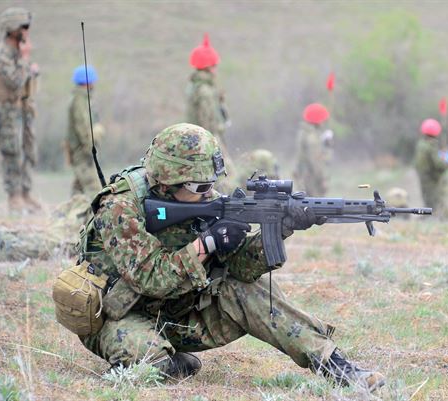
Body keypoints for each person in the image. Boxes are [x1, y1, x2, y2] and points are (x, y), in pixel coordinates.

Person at [74, 123, 384, 390]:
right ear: (169, 180)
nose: (210, 193)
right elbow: (148, 277)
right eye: (201, 186)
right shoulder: (121, 206)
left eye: (212, 184)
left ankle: (336, 366)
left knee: (247, 289)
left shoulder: (203, 200)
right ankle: (164, 358)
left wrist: (282, 228)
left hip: (175, 309)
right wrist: (207, 243)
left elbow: (241, 268)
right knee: (151, 366)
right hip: (116, 316)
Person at [0, 7, 41, 212]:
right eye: (23, 27)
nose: (27, 31)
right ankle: (14, 196)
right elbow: (15, 81)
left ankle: (25, 193)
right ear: (12, 28)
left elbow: (27, 79)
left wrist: (30, 67)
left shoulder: (16, 52)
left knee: (28, 150)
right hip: (7, 111)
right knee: (13, 152)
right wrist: (26, 61)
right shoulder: (1, 55)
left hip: (22, 108)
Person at [0, 195, 90, 261]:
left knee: (29, 242)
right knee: (31, 245)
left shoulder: (87, 207)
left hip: (59, 238)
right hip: (58, 239)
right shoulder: (87, 206)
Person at [185, 34, 235, 193]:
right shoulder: (205, 92)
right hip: (209, 143)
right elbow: (208, 125)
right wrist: (220, 127)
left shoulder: (196, 88)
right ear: (209, 67)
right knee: (227, 178)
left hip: (198, 142)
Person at [65, 65, 105, 197]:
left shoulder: (83, 99)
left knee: (78, 189)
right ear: (88, 82)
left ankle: (68, 214)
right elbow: (83, 128)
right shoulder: (80, 101)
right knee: (95, 188)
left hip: (81, 150)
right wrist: (90, 150)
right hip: (82, 152)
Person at [414, 118, 448, 220]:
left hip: (424, 177)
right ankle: (439, 218)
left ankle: (432, 217)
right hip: (433, 179)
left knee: (428, 200)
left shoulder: (421, 144)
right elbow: (438, 164)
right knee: (436, 202)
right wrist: (447, 162)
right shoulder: (431, 146)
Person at [293, 103, 334, 197]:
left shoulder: (304, 132)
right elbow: (316, 161)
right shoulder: (312, 137)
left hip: (304, 177)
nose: (324, 122)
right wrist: (323, 180)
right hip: (312, 180)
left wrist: (325, 142)